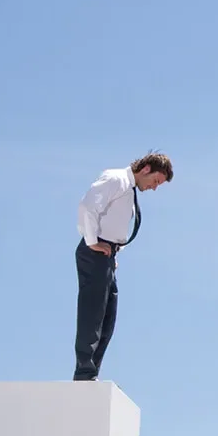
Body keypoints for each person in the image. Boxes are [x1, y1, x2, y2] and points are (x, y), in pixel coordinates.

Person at [73, 152, 173, 381]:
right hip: (95, 251)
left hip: (107, 256)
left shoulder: (129, 189)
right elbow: (88, 206)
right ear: (146, 169)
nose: (154, 188)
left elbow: (114, 223)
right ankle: (83, 374)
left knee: (107, 319)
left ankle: (91, 373)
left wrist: (113, 253)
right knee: (92, 315)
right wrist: (93, 243)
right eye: (156, 181)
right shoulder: (116, 179)